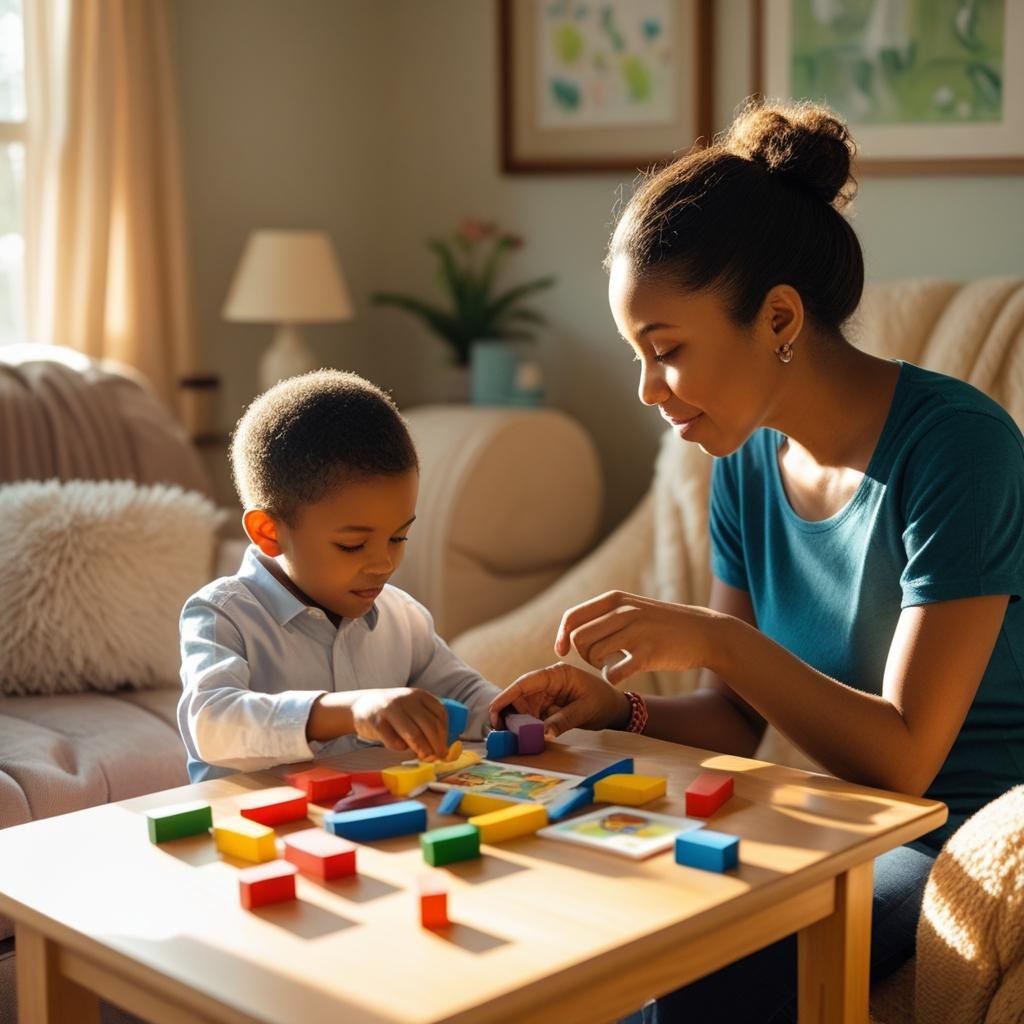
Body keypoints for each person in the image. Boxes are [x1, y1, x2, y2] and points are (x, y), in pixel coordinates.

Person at [489, 100, 1024, 1023]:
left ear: (779, 316)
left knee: (704, 972)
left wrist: (714, 640)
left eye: (667, 352)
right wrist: (622, 708)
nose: (649, 391)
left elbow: (903, 762)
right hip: (827, 814)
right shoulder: (742, 461)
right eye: (636, 356)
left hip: (959, 826)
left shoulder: (958, 451)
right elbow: (740, 721)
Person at [178, 370, 498, 783]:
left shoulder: (403, 618)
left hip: (362, 825)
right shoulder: (223, 615)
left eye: (399, 536)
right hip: (252, 832)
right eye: (352, 545)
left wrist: (514, 711)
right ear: (269, 532)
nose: (384, 563)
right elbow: (213, 724)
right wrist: (348, 710)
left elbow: (465, 696)